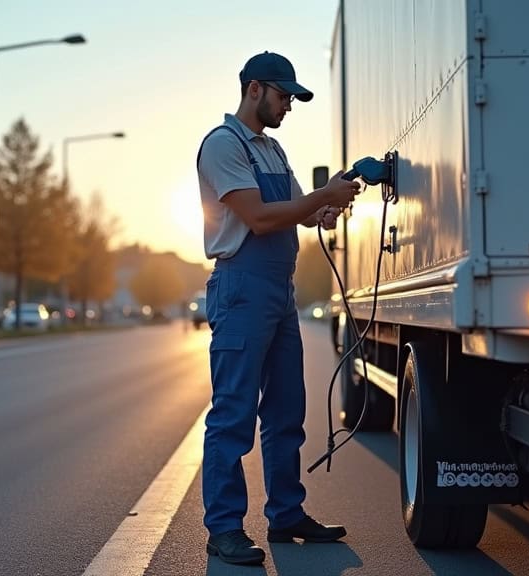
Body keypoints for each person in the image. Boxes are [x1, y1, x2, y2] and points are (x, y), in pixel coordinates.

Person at [195, 51, 361, 566]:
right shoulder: (223, 146)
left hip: (278, 290)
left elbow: (301, 214)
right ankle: (223, 529)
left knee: (287, 411)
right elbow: (262, 219)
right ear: (253, 90)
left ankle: (286, 514)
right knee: (233, 415)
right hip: (241, 288)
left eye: (292, 96)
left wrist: (328, 206)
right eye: (284, 94)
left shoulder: (272, 149)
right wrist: (317, 198)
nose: (289, 104)